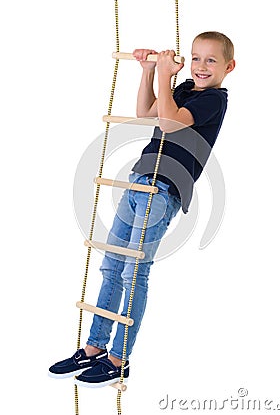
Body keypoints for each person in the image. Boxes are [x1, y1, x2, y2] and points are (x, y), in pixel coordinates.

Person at [48, 31, 235, 387]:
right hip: (138, 182)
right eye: (196, 58)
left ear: (229, 66)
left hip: (163, 190)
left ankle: (119, 358)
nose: (200, 66)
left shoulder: (214, 100)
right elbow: (147, 112)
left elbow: (168, 122)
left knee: (135, 273)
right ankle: (94, 348)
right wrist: (149, 72)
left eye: (211, 60)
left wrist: (166, 77)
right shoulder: (183, 91)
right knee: (111, 265)